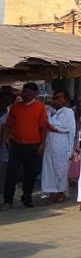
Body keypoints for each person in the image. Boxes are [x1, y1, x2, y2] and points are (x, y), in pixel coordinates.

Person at [3, 82, 47, 210]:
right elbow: (8, 125)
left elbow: (43, 128)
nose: (24, 94)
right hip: (16, 145)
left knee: (30, 174)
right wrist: (6, 137)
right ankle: (8, 200)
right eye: (24, 91)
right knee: (11, 173)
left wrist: (41, 145)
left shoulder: (40, 107)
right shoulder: (15, 107)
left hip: (33, 145)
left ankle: (27, 197)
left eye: (27, 91)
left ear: (34, 93)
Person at [41, 90, 76, 203]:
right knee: (48, 169)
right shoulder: (49, 110)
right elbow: (45, 127)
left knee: (60, 169)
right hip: (49, 143)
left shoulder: (69, 112)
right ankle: (51, 192)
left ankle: (61, 192)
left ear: (64, 100)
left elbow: (70, 130)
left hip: (62, 144)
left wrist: (71, 149)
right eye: (54, 97)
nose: (55, 100)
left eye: (58, 98)